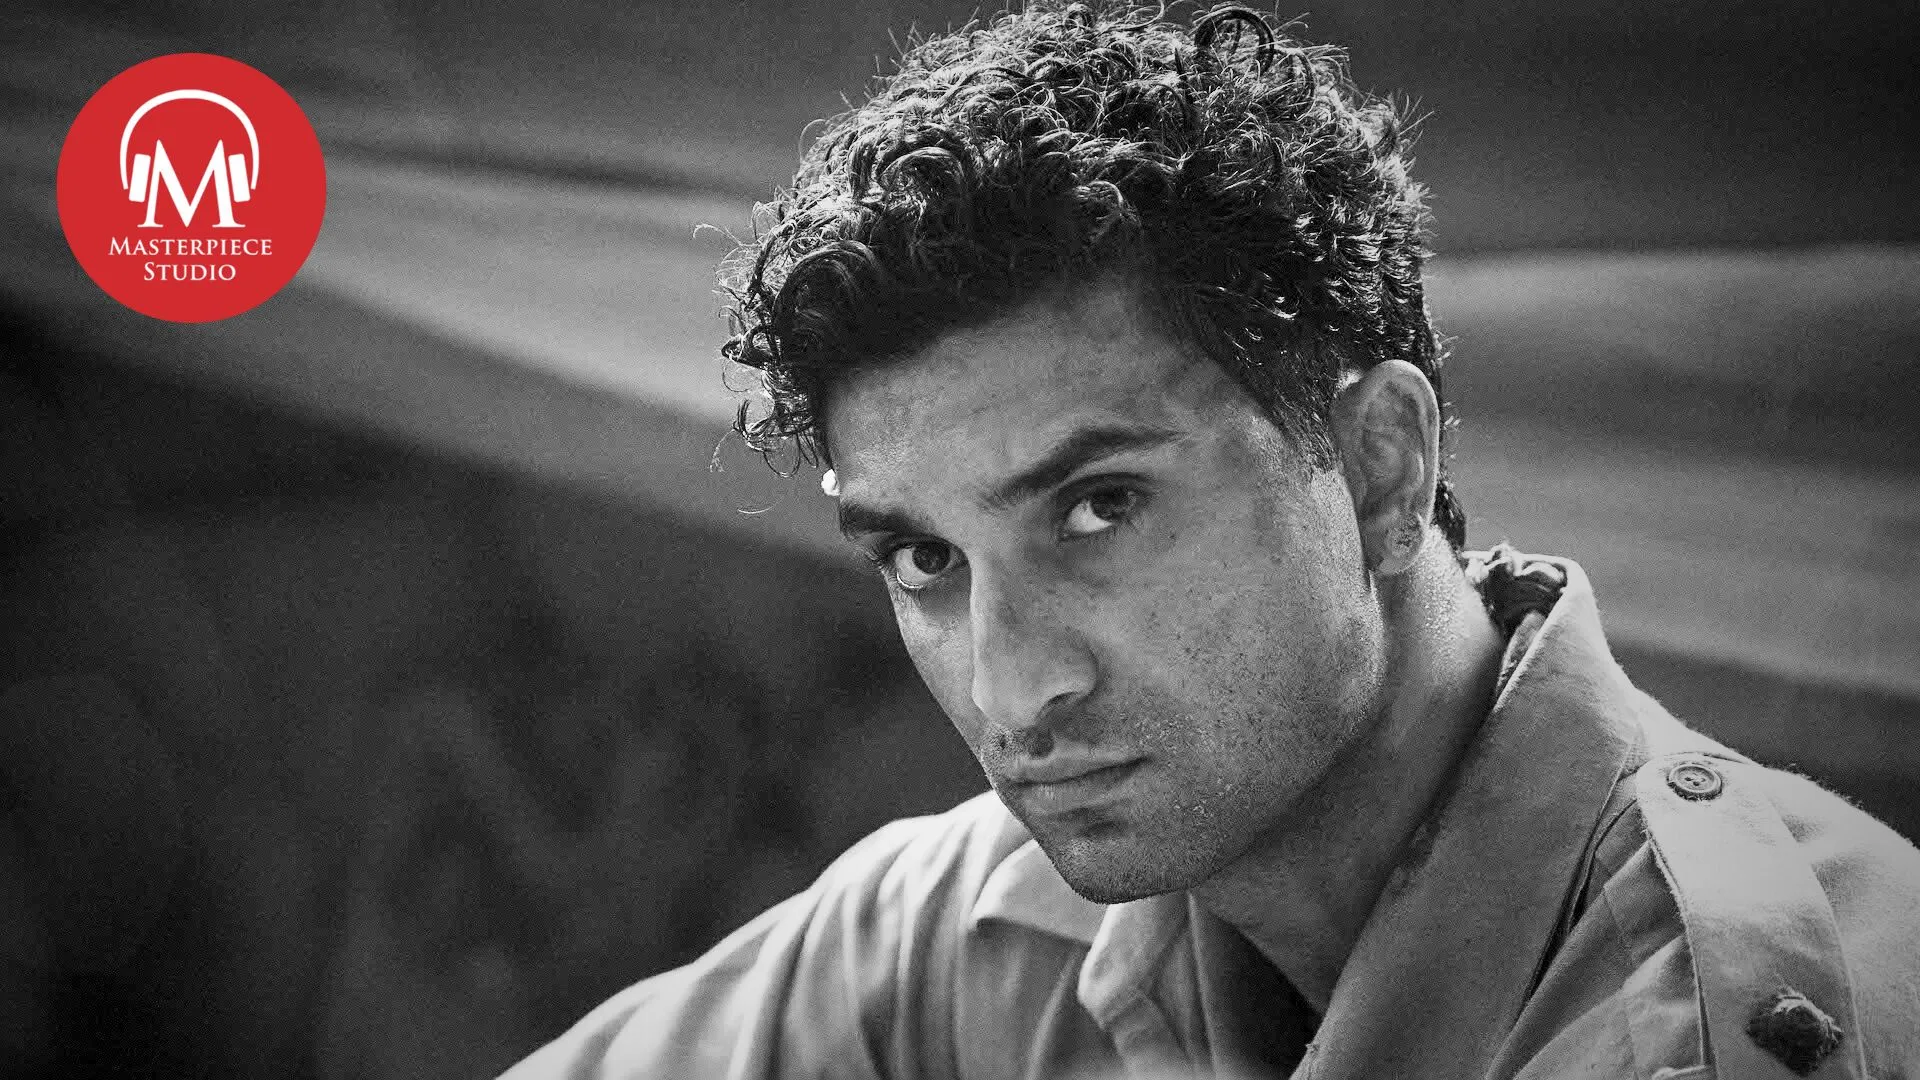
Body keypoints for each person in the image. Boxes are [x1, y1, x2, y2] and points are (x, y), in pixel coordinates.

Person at [502, 3, 1920, 1077]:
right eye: (925, 560)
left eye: (1099, 507)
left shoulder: (1722, 1027)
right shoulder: (976, 925)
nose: (1011, 690)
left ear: (1378, 468)